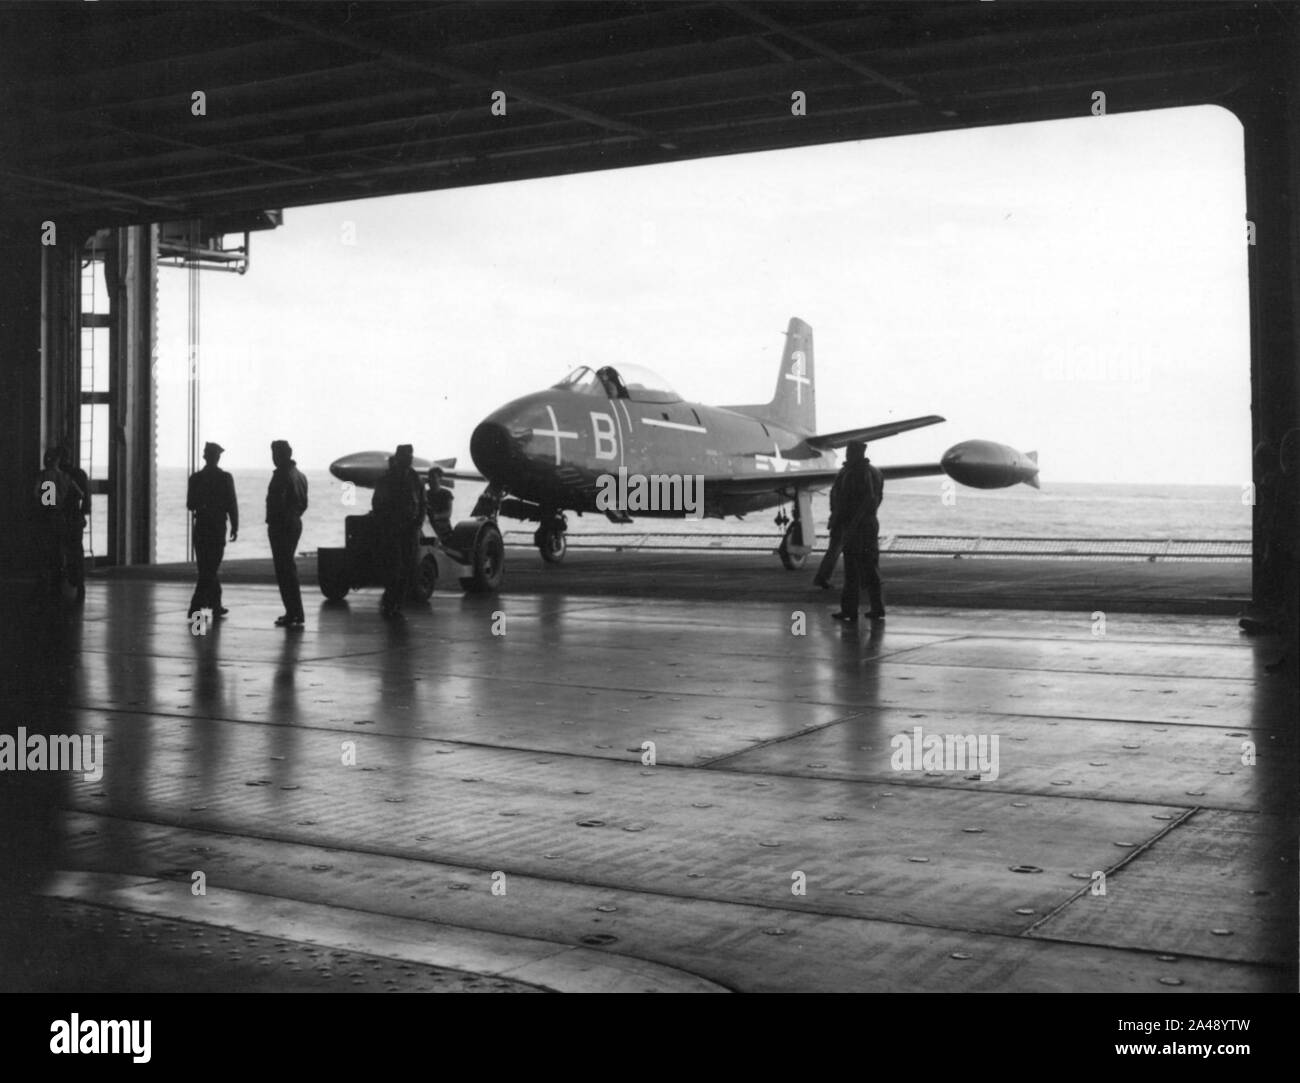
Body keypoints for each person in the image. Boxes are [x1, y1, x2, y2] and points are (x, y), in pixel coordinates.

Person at [830, 440, 885, 623]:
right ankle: (877, 608)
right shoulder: (875, 472)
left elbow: (867, 498)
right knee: (870, 567)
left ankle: (849, 610)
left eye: (849, 451)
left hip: (857, 526)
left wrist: (851, 523)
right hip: (868, 524)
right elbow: (876, 499)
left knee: (852, 569)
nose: (846, 454)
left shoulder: (857, 472)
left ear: (855, 453)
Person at [370, 445, 426, 618]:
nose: (410, 459)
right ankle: (389, 604)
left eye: (411, 455)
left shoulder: (415, 479)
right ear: (399, 457)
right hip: (392, 530)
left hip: (410, 530)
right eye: (406, 456)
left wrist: (418, 523)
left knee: (408, 568)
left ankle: (397, 605)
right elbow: (378, 503)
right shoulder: (387, 479)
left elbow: (423, 503)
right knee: (393, 568)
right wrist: (386, 525)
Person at [186, 441, 238, 620]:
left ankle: (215, 605)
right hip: (217, 528)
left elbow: (190, 505)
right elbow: (232, 504)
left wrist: (204, 505)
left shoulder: (195, 478)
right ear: (217, 457)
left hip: (201, 527)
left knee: (206, 569)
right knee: (210, 569)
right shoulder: (225, 478)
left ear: (204, 456)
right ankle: (196, 610)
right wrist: (235, 525)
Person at [266, 440, 308, 627]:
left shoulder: (281, 476)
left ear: (284, 454)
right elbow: (304, 503)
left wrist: (277, 521)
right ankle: (296, 611)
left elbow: (278, 503)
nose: (274, 457)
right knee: (289, 568)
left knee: (284, 571)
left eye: (276, 453)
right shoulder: (300, 476)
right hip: (294, 522)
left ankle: (293, 612)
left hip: (281, 526)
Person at [33, 448, 83, 601]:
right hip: (59, 516)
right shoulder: (65, 477)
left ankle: (46, 582)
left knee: (46, 550)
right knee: (60, 548)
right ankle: (60, 579)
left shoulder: (43, 476)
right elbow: (80, 494)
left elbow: (35, 494)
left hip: (45, 516)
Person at [57, 445, 91, 603]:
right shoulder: (79, 474)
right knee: (76, 550)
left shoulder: (50, 477)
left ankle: (57, 584)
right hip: (74, 517)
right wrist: (83, 515)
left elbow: (47, 503)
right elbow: (86, 499)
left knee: (55, 550)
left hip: (58, 517)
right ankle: (79, 583)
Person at [813, 459, 847, 589]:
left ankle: (822, 577)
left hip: (838, 519)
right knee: (839, 550)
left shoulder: (840, 477)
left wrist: (834, 516)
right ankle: (823, 578)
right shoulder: (850, 477)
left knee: (834, 549)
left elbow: (834, 500)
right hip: (845, 520)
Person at [426, 466, 455, 545]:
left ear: (440, 479)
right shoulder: (425, 494)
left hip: (443, 528)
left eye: (434, 477)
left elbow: (448, 513)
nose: (431, 480)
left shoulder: (446, 494)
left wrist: (435, 516)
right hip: (428, 525)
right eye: (430, 477)